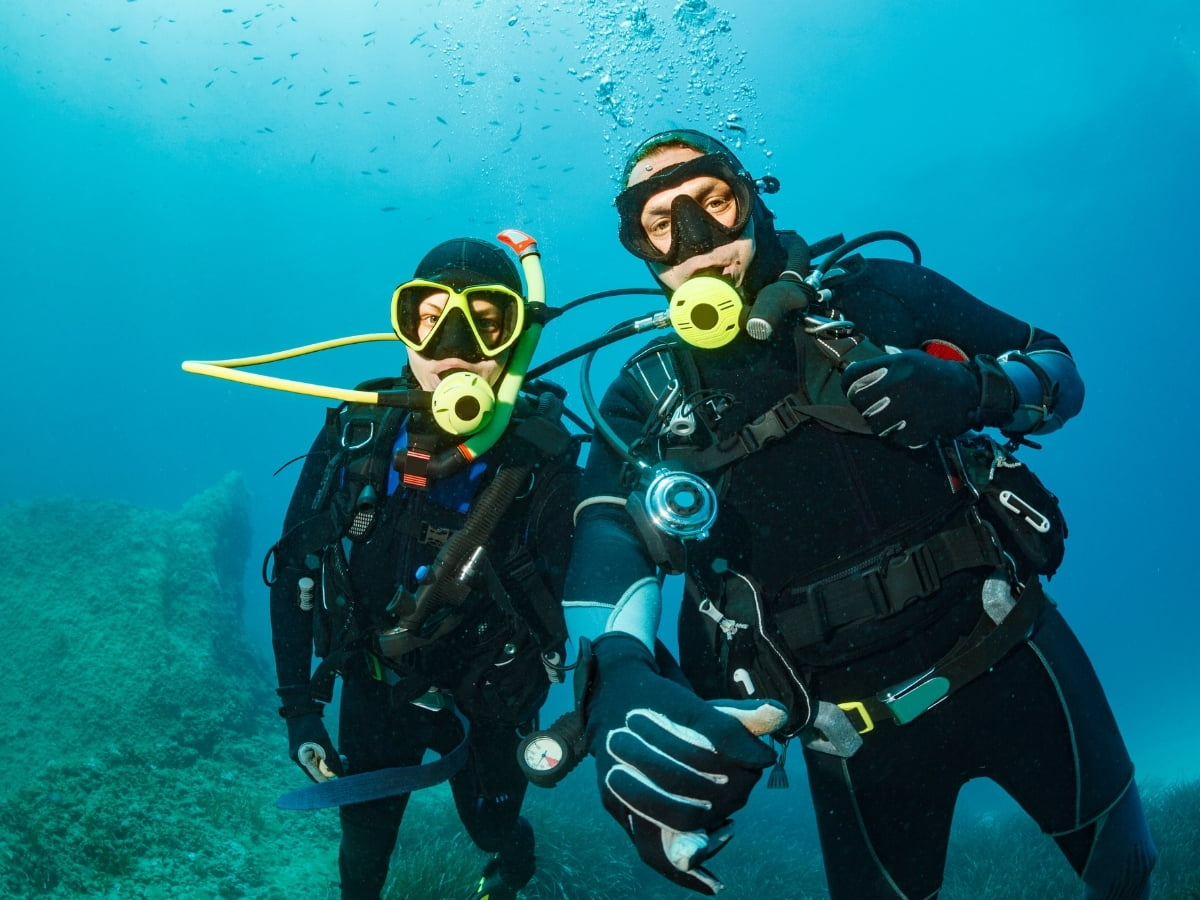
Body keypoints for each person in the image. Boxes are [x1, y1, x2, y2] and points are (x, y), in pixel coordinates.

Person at [559, 129, 1157, 898]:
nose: (697, 237)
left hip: (1014, 649)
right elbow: (605, 532)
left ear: (751, 201)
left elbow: (1057, 368)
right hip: (850, 733)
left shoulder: (878, 294)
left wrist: (975, 390)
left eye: (711, 200)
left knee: (1128, 872)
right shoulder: (645, 393)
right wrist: (617, 669)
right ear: (640, 247)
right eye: (663, 220)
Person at [267, 236, 580, 900]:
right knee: (363, 856)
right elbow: (296, 566)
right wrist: (301, 708)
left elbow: (588, 597)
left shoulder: (544, 459)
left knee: (494, 828)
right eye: (431, 315)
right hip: (379, 685)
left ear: (514, 341)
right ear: (404, 329)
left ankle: (511, 865)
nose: (454, 343)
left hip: (490, 700)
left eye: (486, 321)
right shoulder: (357, 432)